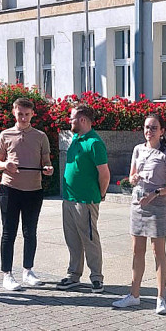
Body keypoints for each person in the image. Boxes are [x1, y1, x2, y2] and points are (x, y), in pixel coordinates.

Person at [112, 113, 166, 315]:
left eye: (153, 128)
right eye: (146, 127)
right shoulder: (138, 149)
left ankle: (161, 298)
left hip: (157, 205)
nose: (148, 131)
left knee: (158, 252)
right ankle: (134, 295)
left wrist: (156, 193)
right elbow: (131, 175)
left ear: (162, 131)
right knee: (137, 251)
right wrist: (133, 178)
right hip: (138, 203)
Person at [0, 97, 54, 291]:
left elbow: (46, 160)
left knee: (30, 232)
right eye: (20, 114)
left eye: (27, 114)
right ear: (14, 112)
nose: (23, 118)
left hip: (33, 190)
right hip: (10, 189)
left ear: (32, 114)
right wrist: (5, 166)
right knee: (8, 232)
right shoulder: (5, 134)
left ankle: (28, 271)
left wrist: (47, 168)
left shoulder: (40, 136)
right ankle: (7, 275)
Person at [58, 102, 110, 293]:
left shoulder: (94, 142)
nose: (69, 121)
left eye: (71, 118)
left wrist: (100, 195)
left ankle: (96, 277)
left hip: (85, 201)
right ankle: (74, 275)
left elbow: (104, 174)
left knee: (89, 239)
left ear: (82, 120)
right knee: (72, 240)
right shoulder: (76, 139)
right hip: (69, 199)